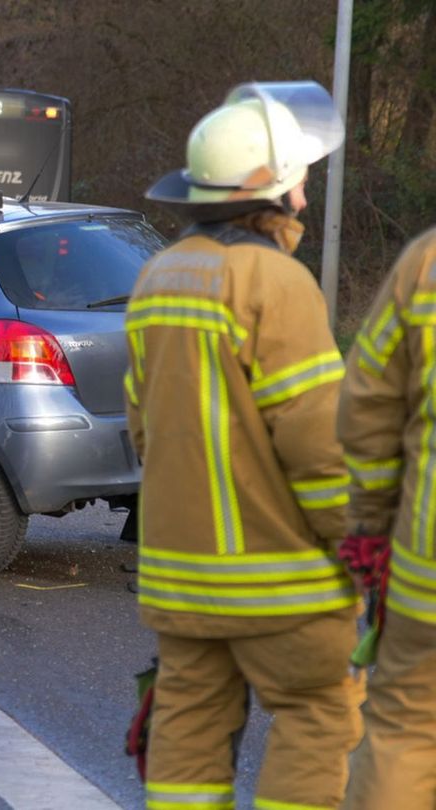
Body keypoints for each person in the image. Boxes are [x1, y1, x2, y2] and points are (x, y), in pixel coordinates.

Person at [124, 81, 360, 809]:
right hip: (281, 584)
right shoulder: (276, 281)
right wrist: (362, 547)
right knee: (319, 715)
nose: (307, 194)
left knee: (187, 737)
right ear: (275, 190)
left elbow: (141, 428)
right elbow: (320, 445)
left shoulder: (158, 278)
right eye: (302, 179)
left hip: (178, 582)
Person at [338, 211, 436, 805]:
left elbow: (368, 410)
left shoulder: (425, 264)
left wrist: (370, 528)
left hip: (426, 577)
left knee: (404, 733)